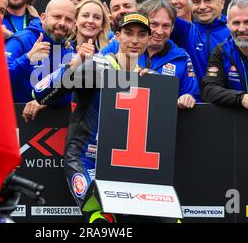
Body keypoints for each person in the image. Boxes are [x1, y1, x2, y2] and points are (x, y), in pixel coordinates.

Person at [24, 12, 153, 223]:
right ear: (117, 36)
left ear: (149, 39)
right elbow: (40, 92)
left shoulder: (148, 77)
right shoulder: (99, 65)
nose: (135, 40)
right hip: (86, 159)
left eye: (141, 35)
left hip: (126, 166)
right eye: (129, 33)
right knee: (101, 220)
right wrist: (73, 68)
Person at [103, 0, 199, 107]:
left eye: (166, 26)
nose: (159, 31)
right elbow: (88, 81)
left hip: (159, 122)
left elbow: (194, 98)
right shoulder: (119, 45)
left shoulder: (181, 58)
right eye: (154, 24)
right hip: (117, 119)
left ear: (172, 28)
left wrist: (189, 98)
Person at [5, 0, 76, 103]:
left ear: (74, 25)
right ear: (43, 18)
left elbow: (68, 94)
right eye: (57, 17)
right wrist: (27, 59)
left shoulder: (68, 48)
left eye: (68, 20)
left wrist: (42, 102)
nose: (62, 23)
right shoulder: (21, 40)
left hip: (57, 118)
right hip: (18, 117)